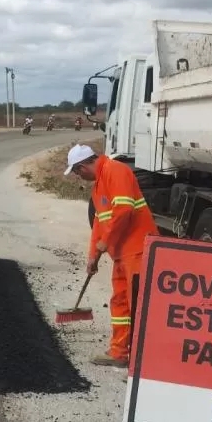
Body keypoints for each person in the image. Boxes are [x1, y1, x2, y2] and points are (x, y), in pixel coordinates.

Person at [65, 144, 159, 367]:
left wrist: (105, 243)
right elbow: (99, 223)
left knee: (138, 303)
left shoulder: (116, 170)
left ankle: (145, 360)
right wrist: (93, 256)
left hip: (138, 249)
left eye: (77, 172)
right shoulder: (97, 187)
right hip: (121, 253)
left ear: (83, 165)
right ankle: (119, 352)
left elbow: (124, 211)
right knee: (120, 303)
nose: (79, 177)